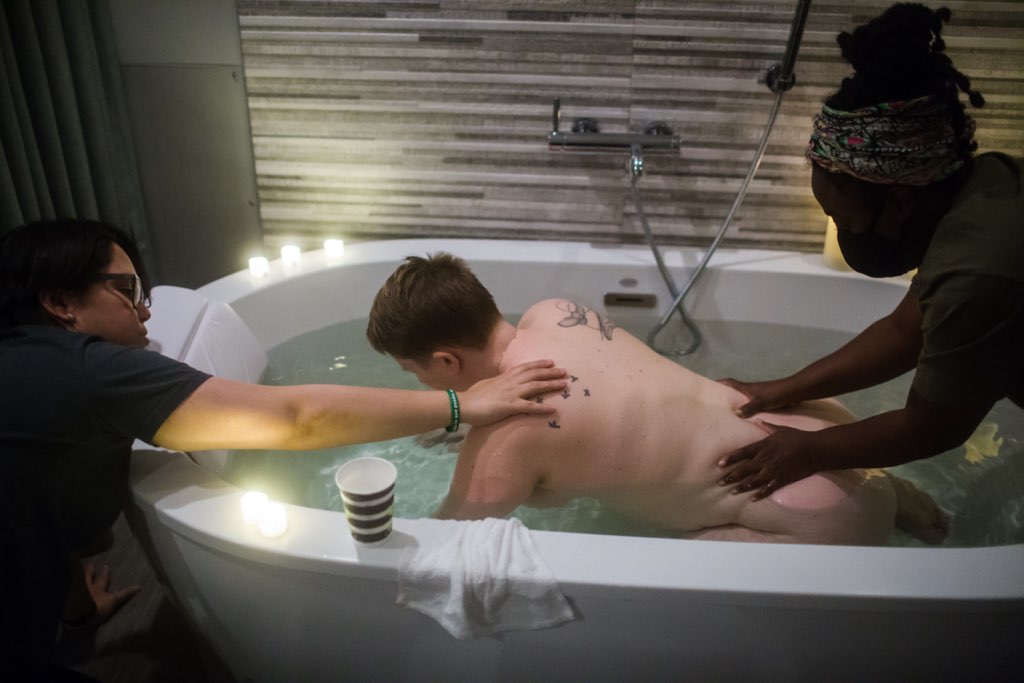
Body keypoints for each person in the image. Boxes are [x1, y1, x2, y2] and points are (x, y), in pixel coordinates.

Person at [0, 219, 567, 681]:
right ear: (60, 303)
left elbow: (34, 476)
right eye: (126, 291)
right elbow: (296, 418)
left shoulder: (36, 366)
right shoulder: (91, 371)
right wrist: (461, 405)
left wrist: (74, 605)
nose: (145, 310)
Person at [366, 252, 947, 547]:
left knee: (669, 571)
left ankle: (878, 518)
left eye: (417, 373)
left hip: (811, 526)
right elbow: (601, 407)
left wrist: (466, 427)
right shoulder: (556, 312)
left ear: (445, 361)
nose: (426, 387)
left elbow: (441, 541)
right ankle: (903, 501)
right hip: (823, 433)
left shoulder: (509, 436)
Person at [716, 3, 1023, 500]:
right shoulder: (980, 192)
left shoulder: (981, 272)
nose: (840, 232)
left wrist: (810, 450)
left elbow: (935, 427)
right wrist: (780, 389)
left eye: (840, 217)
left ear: (901, 200)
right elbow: (906, 332)